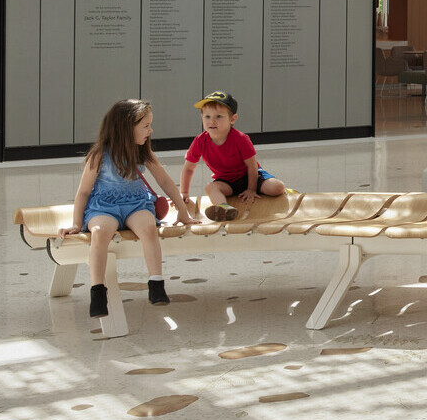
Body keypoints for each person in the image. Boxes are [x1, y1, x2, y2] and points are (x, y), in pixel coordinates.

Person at [61, 99, 195, 318]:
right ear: (126, 128)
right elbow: (83, 191)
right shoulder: (99, 155)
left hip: (136, 203)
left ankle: (156, 284)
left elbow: (165, 181)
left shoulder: (142, 152)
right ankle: (98, 291)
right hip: (104, 206)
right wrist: (77, 224)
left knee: (148, 228)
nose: (151, 131)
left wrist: (182, 210)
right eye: (146, 126)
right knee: (99, 233)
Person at [179, 91, 283, 222]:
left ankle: (273, 189)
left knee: (277, 187)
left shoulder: (241, 139)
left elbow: (251, 166)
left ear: (232, 119)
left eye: (218, 116)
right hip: (226, 182)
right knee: (210, 188)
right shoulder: (200, 141)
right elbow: (189, 168)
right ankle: (224, 208)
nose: (212, 121)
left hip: (249, 176)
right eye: (207, 116)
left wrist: (251, 189)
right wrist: (184, 192)